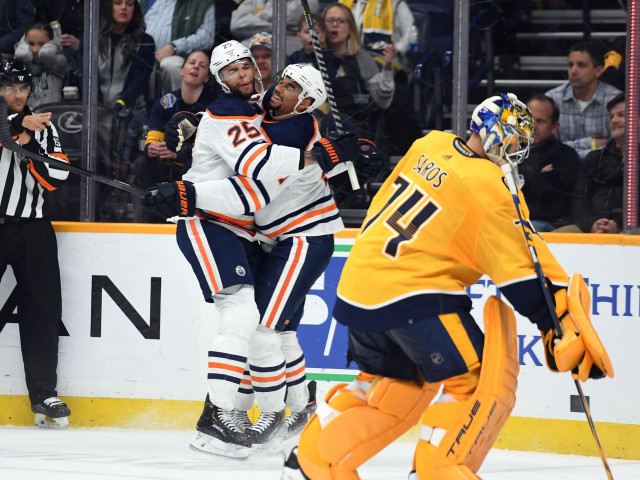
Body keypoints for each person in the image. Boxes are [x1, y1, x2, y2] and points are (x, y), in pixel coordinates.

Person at [281, 93, 613, 479]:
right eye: (514, 140)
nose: (517, 150)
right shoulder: (490, 186)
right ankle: (437, 473)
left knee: (390, 387)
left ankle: (309, 463)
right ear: (496, 136)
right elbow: (521, 265)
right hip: (414, 293)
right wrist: (552, 319)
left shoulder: (430, 143)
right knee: (472, 385)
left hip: (358, 280)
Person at [140, 40, 357, 457]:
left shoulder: (257, 109)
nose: (242, 74)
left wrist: (192, 123)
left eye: (246, 67)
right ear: (219, 81)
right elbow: (258, 168)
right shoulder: (231, 110)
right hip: (212, 223)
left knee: (262, 328)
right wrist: (191, 194)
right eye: (231, 71)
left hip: (250, 231)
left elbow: (259, 170)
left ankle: (261, 413)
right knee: (246, 318)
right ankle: (221, 417)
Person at [183, 63, 344, 456]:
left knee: (262, 330)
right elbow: (246, 114)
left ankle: (274, 414)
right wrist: (196, 124)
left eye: (290, 88)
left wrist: (202, 127)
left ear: (305, 102)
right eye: (281, 81)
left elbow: (252, 148)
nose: (278, 89)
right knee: (280, 331)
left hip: (302, 237)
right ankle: (297, 407)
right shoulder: (272, 114)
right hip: (280, 239)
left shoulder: (293, 128)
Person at [0, 58, 71, 428]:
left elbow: (56, 178)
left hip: (33, 229)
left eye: (23, 88)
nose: (17, 94)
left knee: (43, 313)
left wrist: (28, 143)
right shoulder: (16, 120)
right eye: (9, 87)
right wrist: (16, 126)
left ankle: (44, 394)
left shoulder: (43, 126)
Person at [133, 49, 214, 222]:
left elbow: (210, 149)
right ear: (182, 70)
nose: (196, 68)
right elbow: (154, 135)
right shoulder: (166, 102)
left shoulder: (212, 105)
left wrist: (180, 153)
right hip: (165, 164)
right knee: (143, 163)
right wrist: (152, 147)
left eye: (202, 66)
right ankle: (144, 215)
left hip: (193, 167)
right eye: (191, 63)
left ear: (207, 77)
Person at [322, 2, 395, 140]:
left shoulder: (362, 59)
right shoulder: (312, 57)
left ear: (350, 28)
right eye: (330, 20)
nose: (335, 25)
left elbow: (382, 102)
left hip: (352, 130)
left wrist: (387, 69)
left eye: (341, 21)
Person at [545, 40, 622, 159]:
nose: (574, 71)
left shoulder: (615, 100)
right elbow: (546, 147)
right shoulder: (552, 99)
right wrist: (592, 143)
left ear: (598, 71)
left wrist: (565, 150)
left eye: (581, 65)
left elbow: (615, 149)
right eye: (571, 65)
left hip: (601, 172)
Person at [520, 94, 579, 232]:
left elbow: (558, 206)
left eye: (540, 121)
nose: (532, 126)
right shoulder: (506, 151)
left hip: (544, 224)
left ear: (554, 127)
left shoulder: (565, 156)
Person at [571, 93, 626, 234]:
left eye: (622, 115)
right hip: (592, 227)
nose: (614, 121)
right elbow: (579, 200)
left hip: (631, 228)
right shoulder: (594, 158)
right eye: (611, 116)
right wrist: (591, 224)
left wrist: (618, 224)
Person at [139, 0, 216, 93]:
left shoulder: (202, 3)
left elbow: (206, 37)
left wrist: (175, 47)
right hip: (139, 50)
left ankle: (176, 106)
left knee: (171, 65)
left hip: (178, 55)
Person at [230, 0, 320, 56]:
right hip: (252, 49)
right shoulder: (252, 1)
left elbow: (293, 15)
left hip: (288, 51)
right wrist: (280, 28)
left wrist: (257, 19)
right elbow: (236, 24)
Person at [14, 22, 68, 109]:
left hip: (52, 115)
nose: (35, 49)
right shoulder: (22, 64)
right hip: (28, 117)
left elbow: (45, 54)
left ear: (51, 43)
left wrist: (55, 39)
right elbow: (22, 54)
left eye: (42, 44)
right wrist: (23, 41)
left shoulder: (59, 61)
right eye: (31, 44)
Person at [339, 0, 415, 56]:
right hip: (348, 58)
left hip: (384, 62)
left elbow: (411, 36)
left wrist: (397, 50)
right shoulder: (343, 3)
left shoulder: (395, 3)